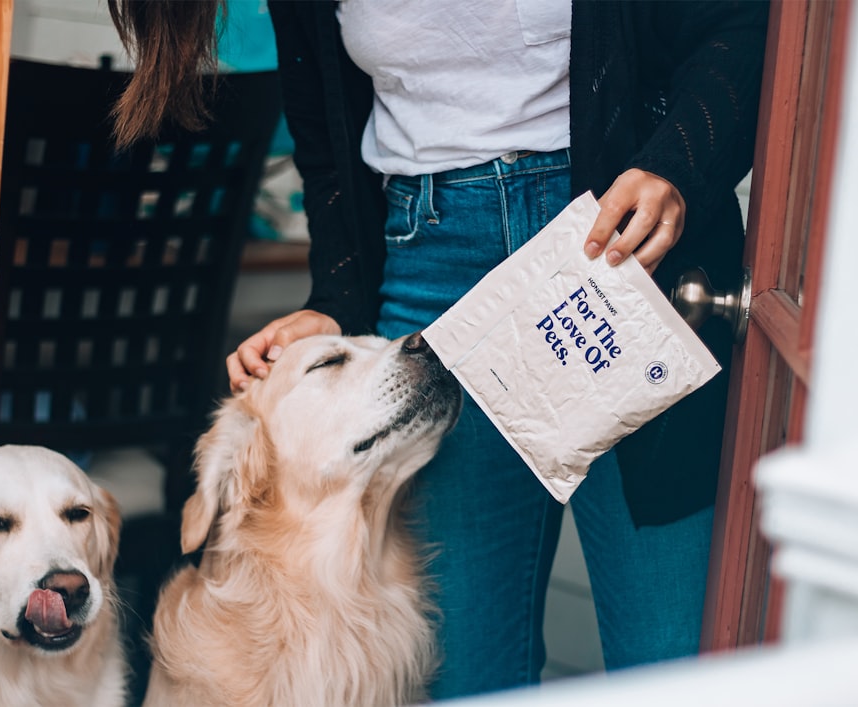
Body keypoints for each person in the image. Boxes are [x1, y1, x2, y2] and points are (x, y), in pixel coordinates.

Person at [109, 1, 769, 701]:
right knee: (464, 676)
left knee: (673, 667)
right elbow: (324, 135)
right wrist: (334, 300)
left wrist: (675, 165)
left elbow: (747, 25)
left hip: (619, 247)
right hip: (431, 262)